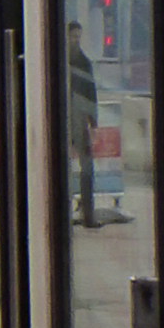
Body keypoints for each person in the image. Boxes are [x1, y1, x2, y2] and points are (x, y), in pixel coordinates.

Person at [68, 23, 101, 227]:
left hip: (79, 119)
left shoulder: (83, 62)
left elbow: (91, 91)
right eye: (73, 37)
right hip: (70, 117)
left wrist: (93, 120)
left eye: (78, 37)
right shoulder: (68, 62)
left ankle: (88, 213)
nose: (76, 41)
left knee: (87, 166)